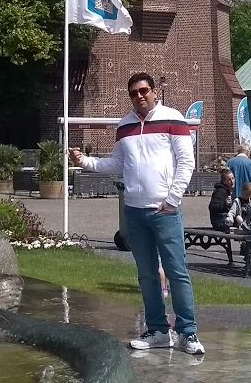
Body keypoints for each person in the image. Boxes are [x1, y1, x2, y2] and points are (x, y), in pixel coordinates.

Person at [69, 72, 205, 356]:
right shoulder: (125, 125)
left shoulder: (173, 118)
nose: (140, 96)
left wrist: (172, 198)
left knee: (177, 273)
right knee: (146, 275)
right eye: (133, 93)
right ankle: (157, 330)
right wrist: (85, 162)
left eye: (144, 90)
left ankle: (187, 332)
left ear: (154, 91)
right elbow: (117, 163)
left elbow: (186, 161)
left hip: (164, 209)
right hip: (135, 210)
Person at [208, 167, 237, 231]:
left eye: (233, 178)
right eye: (229, 180)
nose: (232, 181)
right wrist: (225, 204)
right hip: (219, 221)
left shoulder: (228, 191)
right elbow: (212, 207)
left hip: (224, 219)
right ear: (224, 181)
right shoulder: (220, 191)